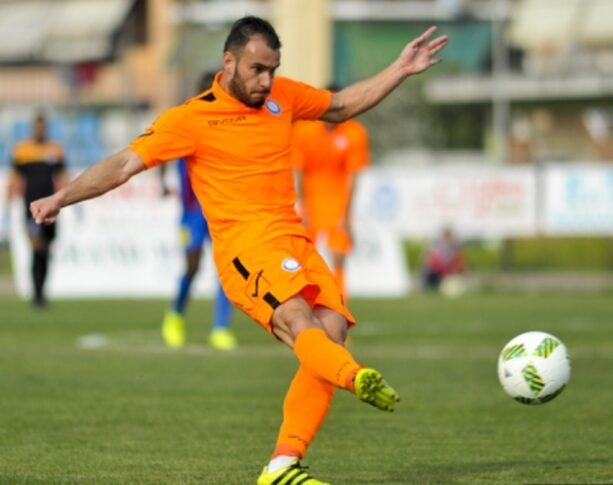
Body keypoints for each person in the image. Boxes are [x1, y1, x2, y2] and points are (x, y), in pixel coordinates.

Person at [30, 16, 447, 484]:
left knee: (331, 333)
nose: (266, 81)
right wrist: (61, 197)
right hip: (245, 249)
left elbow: (342, 104)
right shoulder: (191, 118)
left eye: (272, 69)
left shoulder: (283, 96)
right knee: (299, 320)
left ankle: (282, 466)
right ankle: (355, 377)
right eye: (257, 69)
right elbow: (125, 163)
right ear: (228, 62)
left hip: (294, 239)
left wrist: (400, 69)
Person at [161, 71, 237, 351]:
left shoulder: (226, 126)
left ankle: (220, 328)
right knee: (192, 267)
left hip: (218, 211)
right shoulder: (187, 123)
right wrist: (162, 182)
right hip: (192, 214)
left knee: (226, 270)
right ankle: (175, 315)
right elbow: (160, 149)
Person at [291, 94, 370, 297]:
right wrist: (303, 206)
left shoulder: (354, 132)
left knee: (339, 254)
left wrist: (346, 213)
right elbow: (299, 170)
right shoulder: (304, 130)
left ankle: (339, 302)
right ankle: (307, 301)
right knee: (304, 255)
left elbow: (353, 175)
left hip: (338, 199)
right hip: (310, 198)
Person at [5, 113, 68, 308]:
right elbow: (14, 178)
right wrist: (7, 205)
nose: (40, 130)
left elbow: (62, 176)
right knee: (36, 247)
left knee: (46, 249)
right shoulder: (23, 150)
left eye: (43, 127)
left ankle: (41, 292)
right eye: (37, 127)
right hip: (31, 209)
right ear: (33, 128)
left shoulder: (55, 149)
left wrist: (71, 200)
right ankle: (37, 295)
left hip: (51, 208)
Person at [422, 226, 465, 291]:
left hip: (450, 272)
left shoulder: (455, 247)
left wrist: (454, 269)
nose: (447, 238)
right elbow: (431, 261)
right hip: (438, 272)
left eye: (448, 236)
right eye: (446, 236)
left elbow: (459, 262)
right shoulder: (436, 246)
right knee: (429, 273)